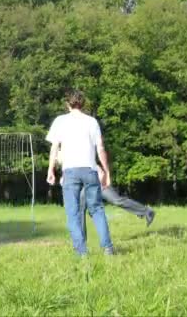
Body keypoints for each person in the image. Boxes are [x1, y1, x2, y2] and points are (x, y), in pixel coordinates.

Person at [46, 90, 114, 256]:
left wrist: (51, 170)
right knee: (97, 209)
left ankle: (81, 252)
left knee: (72, 212)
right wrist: (106, 171)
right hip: (90, 171)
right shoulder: (92, 122)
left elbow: (54, 147)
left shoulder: (60, 121)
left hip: (70, 171)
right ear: (82, 104)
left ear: (67, 104)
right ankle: (107, 247)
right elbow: (101, 149)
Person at [79, 166, 156, 241]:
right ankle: (81, 241)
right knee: (80, 210)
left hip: (100, 185)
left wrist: (101, 182)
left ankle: (147, 211)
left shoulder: (88, 161)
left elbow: (101, 173)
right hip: (86, 189)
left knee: (117, 201)